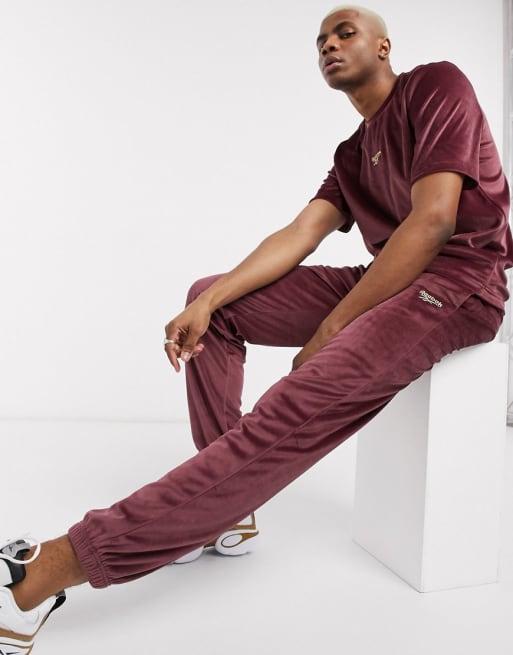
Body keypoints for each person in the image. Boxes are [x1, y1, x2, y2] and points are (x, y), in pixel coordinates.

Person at [2, 4, 512, 652]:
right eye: (320, 40)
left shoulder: (435, 85)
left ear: (384, 47)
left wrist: (331, 330)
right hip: (388, 276)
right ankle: (227, 512)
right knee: (211, 305)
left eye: (345, 32)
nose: (329, 45)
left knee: (294, 403)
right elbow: (300, 233)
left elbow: (434, 219)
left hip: (460, 284)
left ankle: (38, 577)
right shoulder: (352, 154)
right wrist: (209, 300)